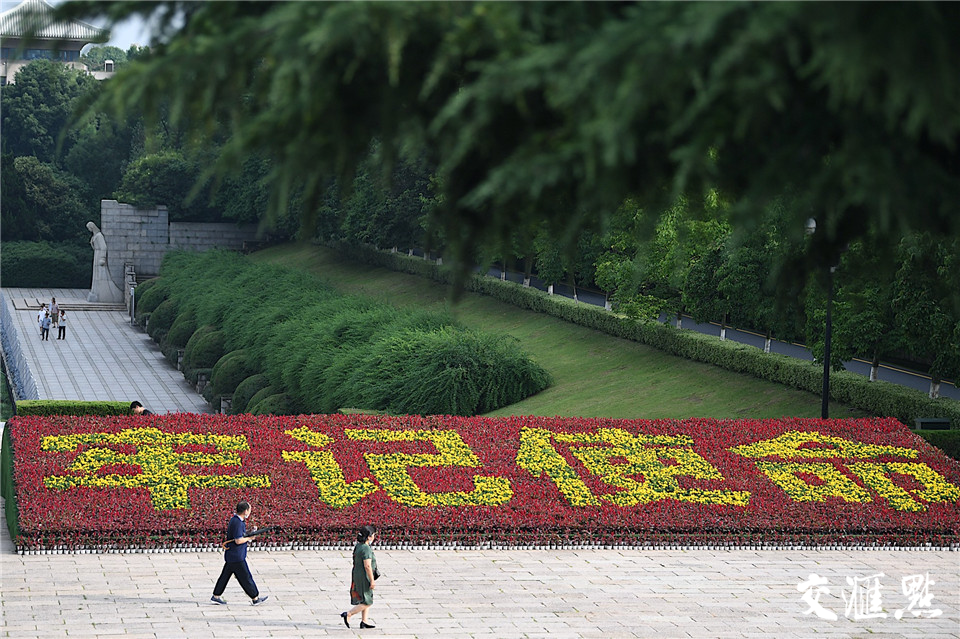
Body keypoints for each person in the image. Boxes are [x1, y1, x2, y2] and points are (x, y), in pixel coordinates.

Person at [211, 501, 268, 606]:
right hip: (237, 556)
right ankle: (255, 598)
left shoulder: (236, 520)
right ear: (246, 511)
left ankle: (216, 596)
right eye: (249, 510)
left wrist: (250, 533)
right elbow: (238, 540)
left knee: (225, 576)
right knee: (246, 577)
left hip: (232, 555)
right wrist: (249, 538)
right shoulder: (238, 522)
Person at [341, 525, 378, 629]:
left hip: (357, 573)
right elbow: (367, 566)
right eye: (373, 535)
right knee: (367, 601)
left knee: (365, 597)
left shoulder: (359, 545)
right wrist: (372, 580)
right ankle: (349, 614)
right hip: (364, 576)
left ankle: (364, 621)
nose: (374, 537)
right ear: (369, 537)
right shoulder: (366, 549)